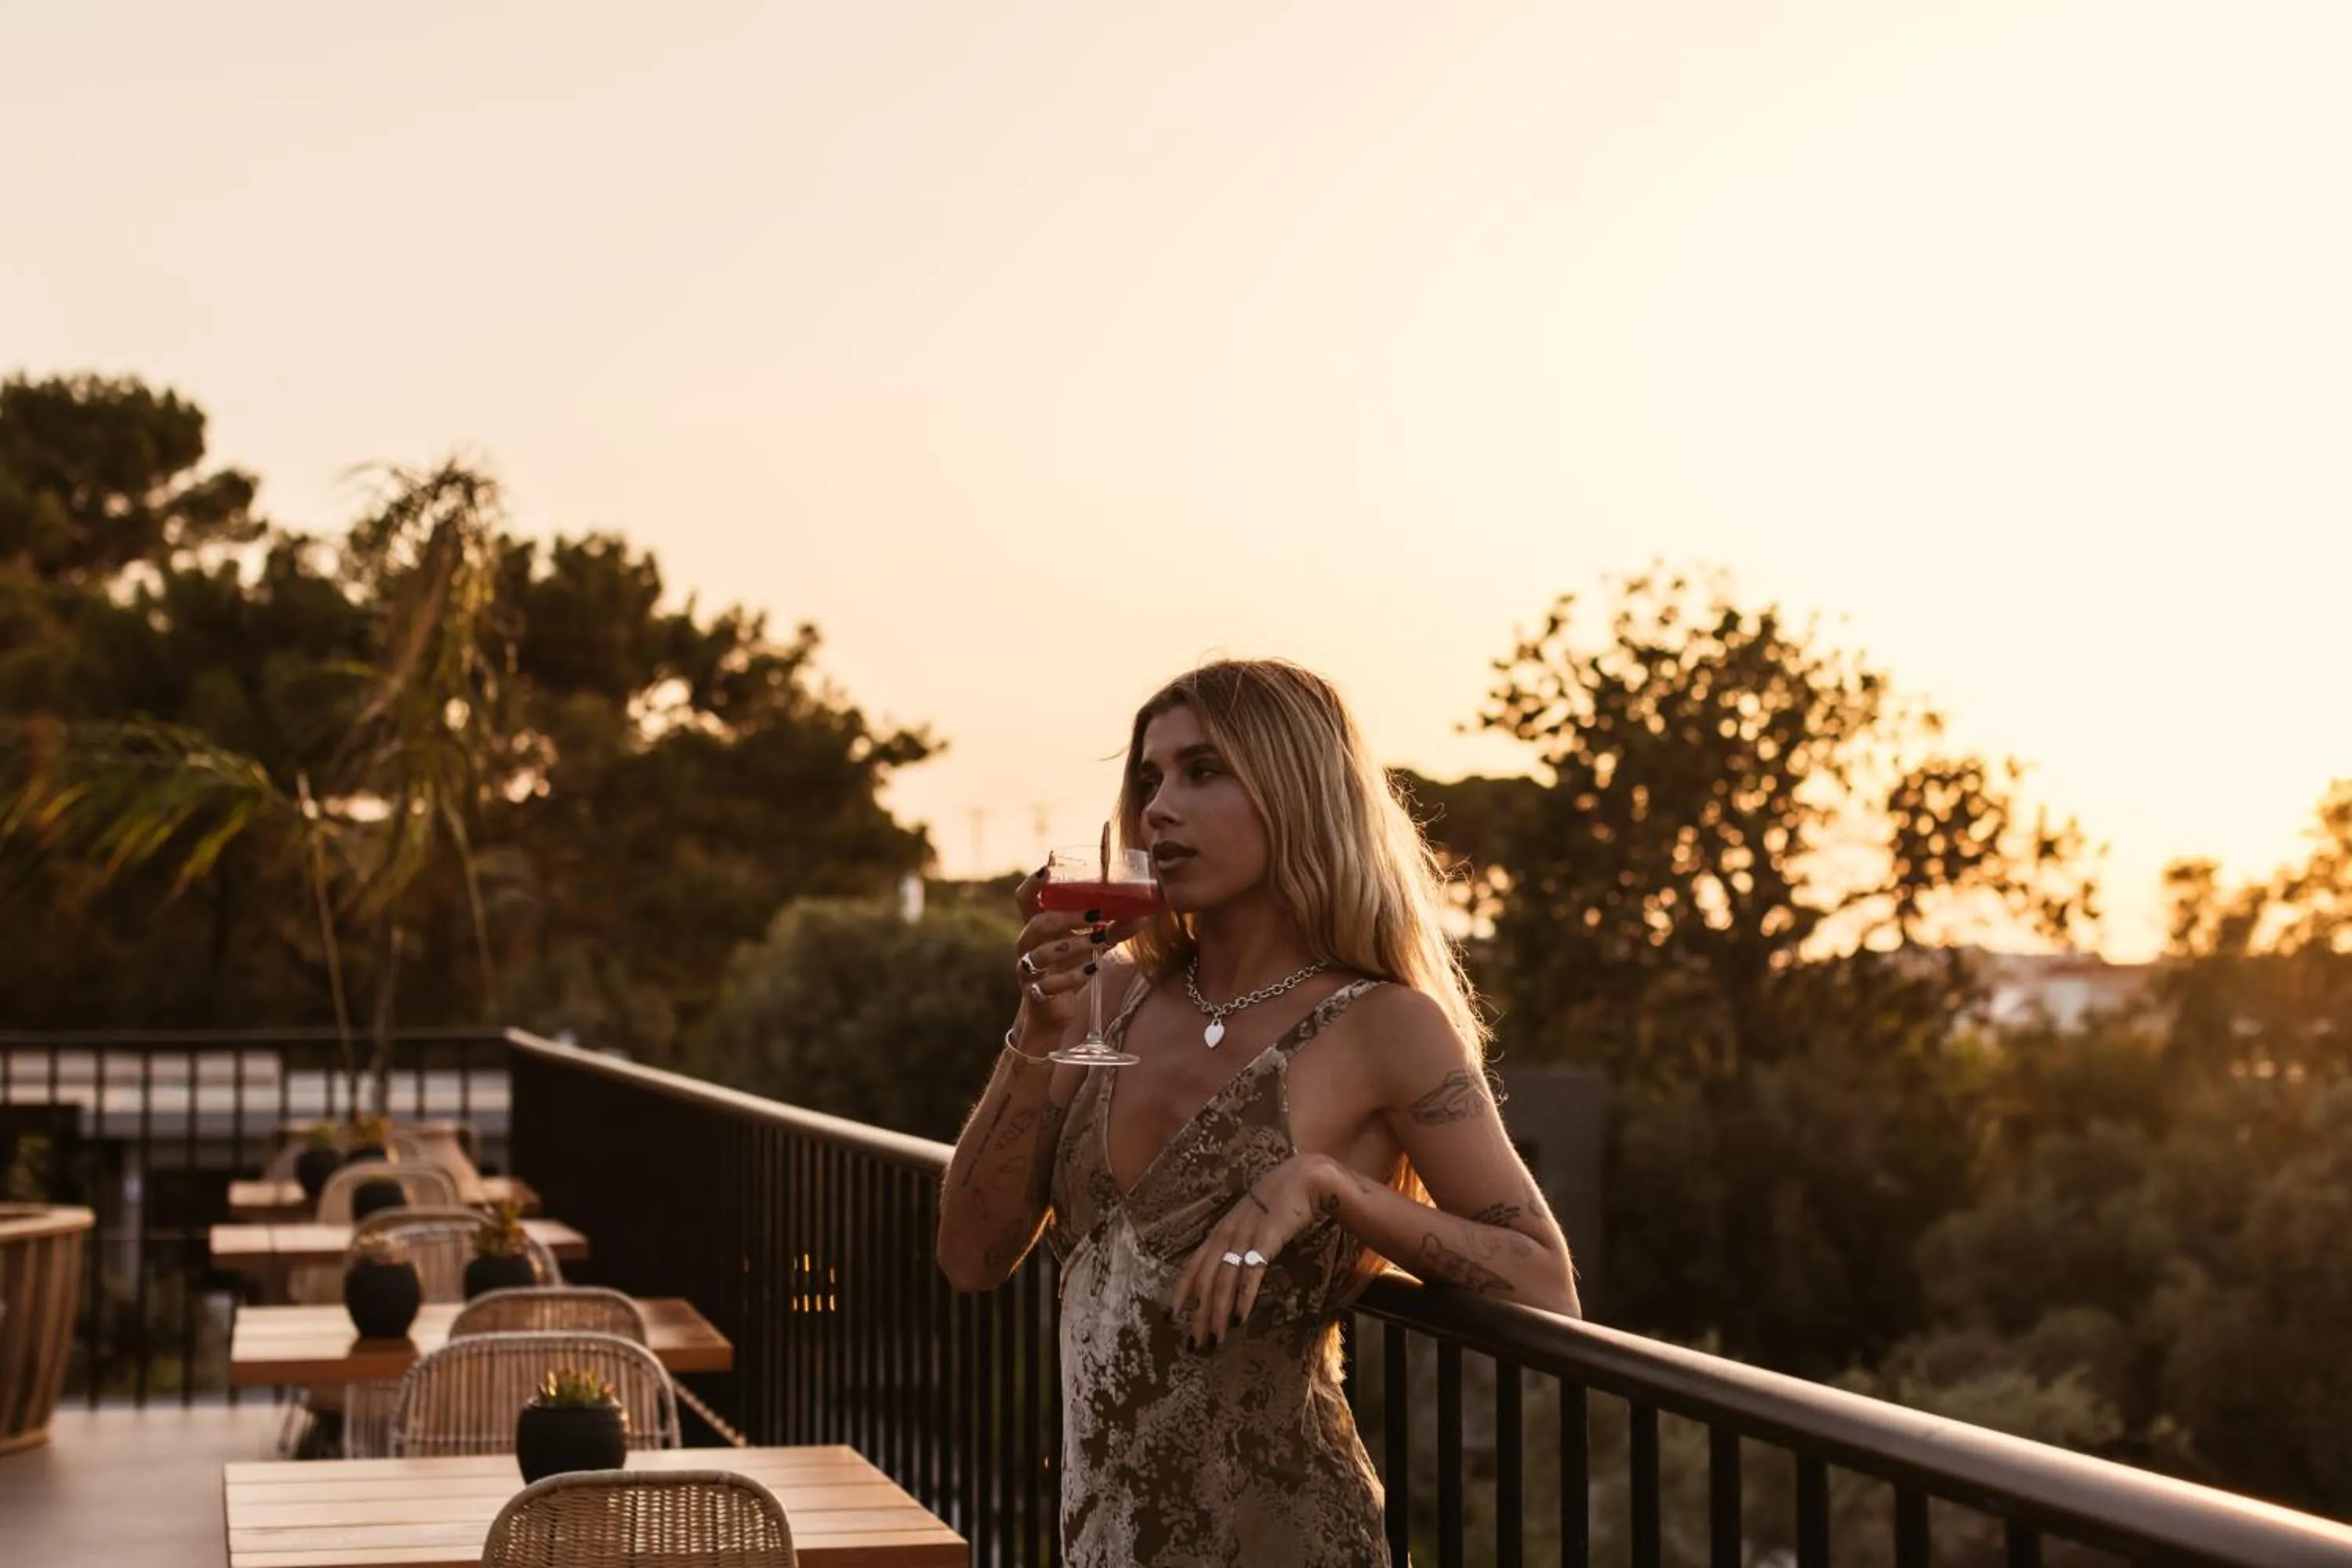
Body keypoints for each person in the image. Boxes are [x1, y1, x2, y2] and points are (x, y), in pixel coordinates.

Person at [938, 658, 1580, 1567]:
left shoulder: (1385, 1025)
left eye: (1204, 771)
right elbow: (970, 1255)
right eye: (1149, 778)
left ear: (1298, 789)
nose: (1159, 806)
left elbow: (1545, 1284)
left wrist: (1327, 1186)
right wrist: (1034, 1035)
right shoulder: (1104, 996)